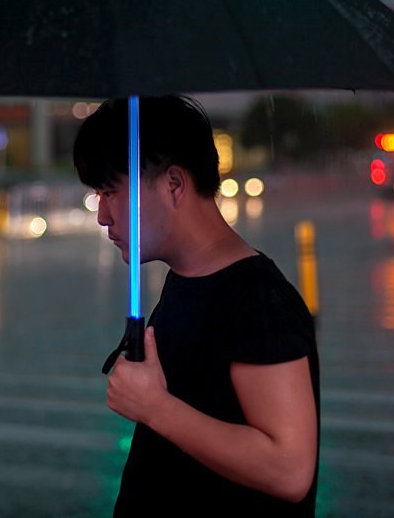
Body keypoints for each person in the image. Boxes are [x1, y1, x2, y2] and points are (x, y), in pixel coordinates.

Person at [73, 96, 320, 516]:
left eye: (110, 192)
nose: (102, 216)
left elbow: (289, 470)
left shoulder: (256, 298)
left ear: (173, 184)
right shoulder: (186, 277)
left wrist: (156, 408)